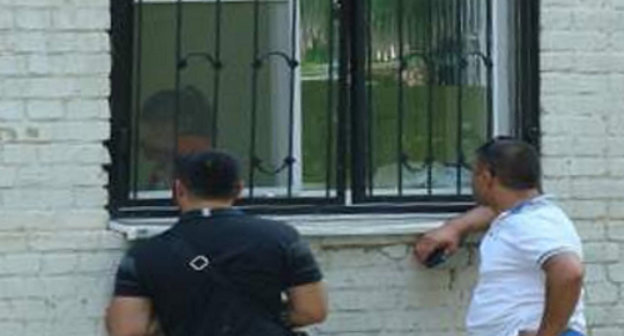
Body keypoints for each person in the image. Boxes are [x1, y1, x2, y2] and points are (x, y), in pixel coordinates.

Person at [107, 151, 328, 336]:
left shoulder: (144, 255)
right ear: (239, 189)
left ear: (178, 190)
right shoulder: (283, 238)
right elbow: (312, 310)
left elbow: (126, 330)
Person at [414, 137, 586, 336]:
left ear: (486, 178)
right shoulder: (519, 215)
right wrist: (456, 227)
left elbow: (569, 272)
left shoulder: (534, 221)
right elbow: (496, 213)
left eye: (474, 173)